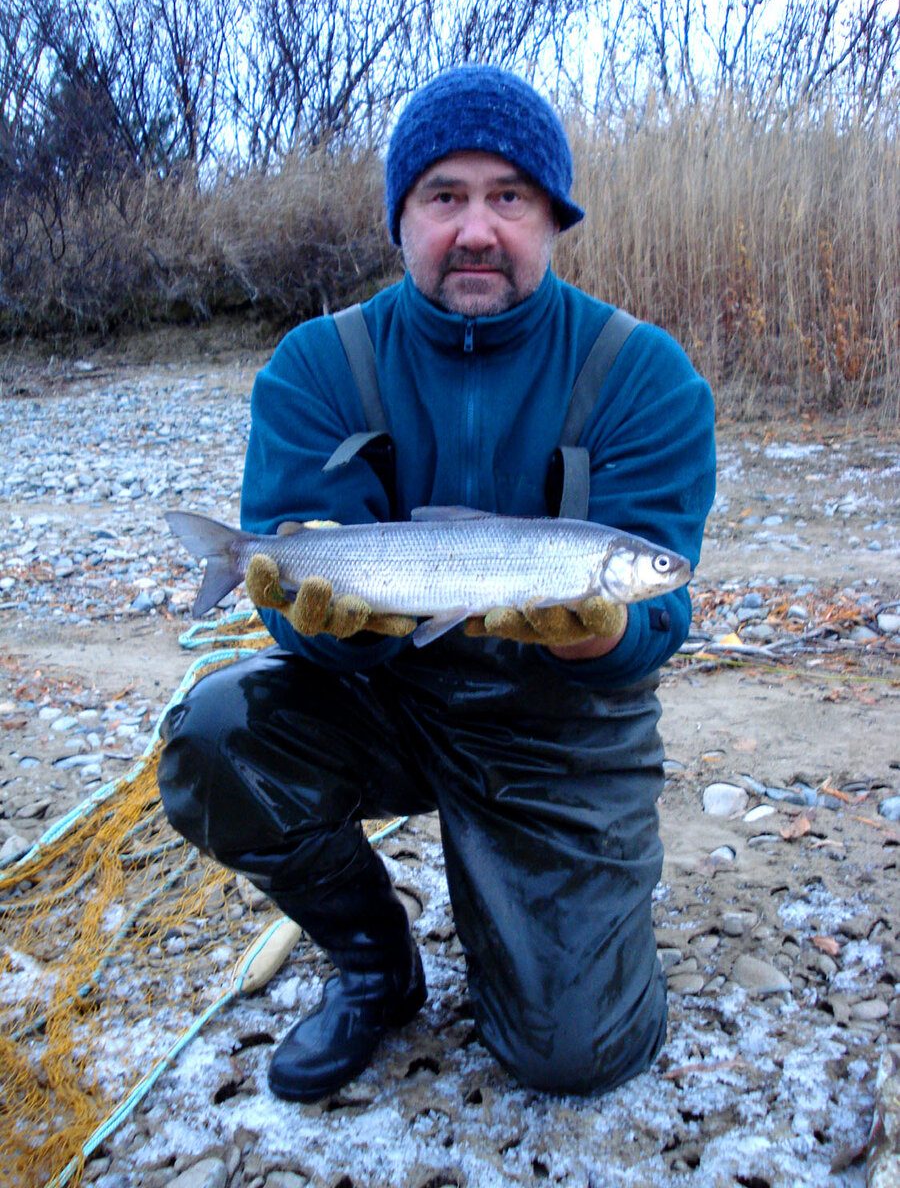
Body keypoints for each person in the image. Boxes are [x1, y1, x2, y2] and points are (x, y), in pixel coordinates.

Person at [158, 64, 716, 1105]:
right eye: (443, 196)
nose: (476, 228)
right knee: (213, 730)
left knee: (573, 1058)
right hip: (387, 701)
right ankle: (376, 964)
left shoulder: (648, 377)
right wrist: (322, 621)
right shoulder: (315, 367)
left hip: (563, 727)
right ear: (400, 217)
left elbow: (661, 610)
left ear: (553, 216)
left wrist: (595, 634)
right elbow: (304, 626)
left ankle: (546, 915)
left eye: (508, 196)